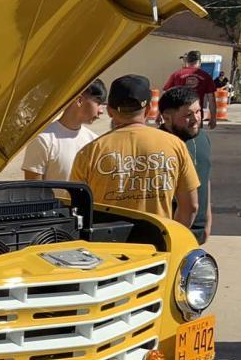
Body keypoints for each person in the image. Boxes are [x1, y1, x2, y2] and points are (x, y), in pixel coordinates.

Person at [70, 74, 199, 228]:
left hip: (105, 241)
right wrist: (173, 237)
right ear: (149, 109)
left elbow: (75, 208)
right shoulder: (175, 145)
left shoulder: (90, 152)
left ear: (110, 111)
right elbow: (191, 207)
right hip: (157, 240)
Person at [6, 79, 106, 182]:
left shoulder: (94, 142)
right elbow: (33, 188)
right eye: (98, 103)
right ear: (79, 100)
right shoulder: (43, 139)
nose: (101, 111)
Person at [159, 85, 213, 243]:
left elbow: (205, 177)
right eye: (188, 115)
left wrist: (208, 219)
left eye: (198, 111)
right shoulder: (158, 144)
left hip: (198, 232)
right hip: (171, 234)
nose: (196, 119)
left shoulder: (202, 138)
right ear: (167, 118)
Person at [162, 51, 217, 127]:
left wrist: (160, 113)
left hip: (178, 115)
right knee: (195, 134)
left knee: (178, 134)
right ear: (199, 62)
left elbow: (165, 95)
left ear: (187, 61)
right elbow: (211, 99)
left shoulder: (177, 74)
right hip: (196, 116)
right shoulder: (206, 76)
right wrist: (213, 118)